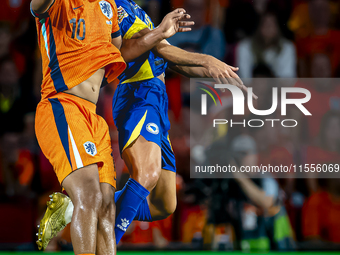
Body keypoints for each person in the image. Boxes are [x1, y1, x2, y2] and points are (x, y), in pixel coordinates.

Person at [38, 0, 251, 249]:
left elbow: (171, 60)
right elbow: (159, 49)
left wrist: (221, 74)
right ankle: (98, 228)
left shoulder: (133, 8)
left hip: (157, 98)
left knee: (164, 204)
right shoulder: (115, 7)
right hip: (138, 93)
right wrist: (206, 59)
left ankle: (74, 209)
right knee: (146, 175)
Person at [31, 0, 192, 253]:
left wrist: (160, 32)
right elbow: (38, 5)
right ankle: (72, 209)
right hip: (62, 105)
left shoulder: (107, 8)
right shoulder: (59, 4)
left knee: (106, 206)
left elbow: (122, 53)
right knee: (91, 196)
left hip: (94, 118)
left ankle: (69, 210)